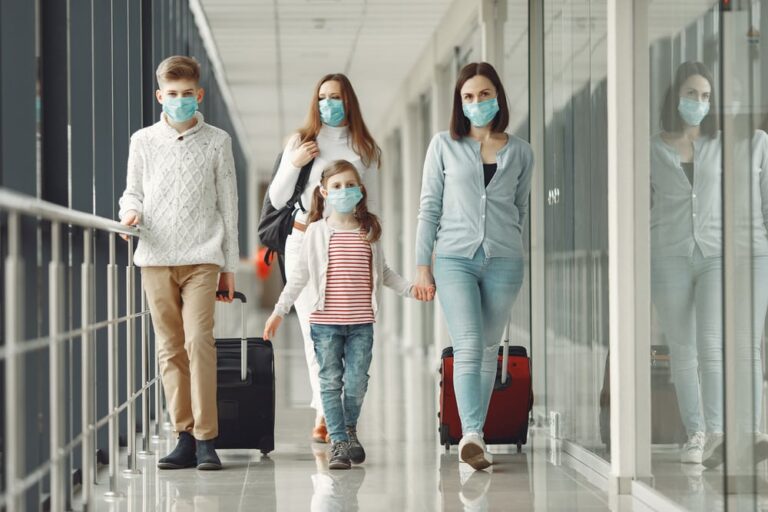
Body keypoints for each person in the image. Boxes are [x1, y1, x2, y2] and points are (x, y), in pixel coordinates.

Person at [118, 55, 239, 471]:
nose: (181, 100)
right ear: (160, 96)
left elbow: (229, 206)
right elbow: (132, 191)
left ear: (199, 94)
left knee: (198, 342)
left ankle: (207, 438)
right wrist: (128, 215)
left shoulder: (218, 141)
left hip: (203, 257)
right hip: (155, 255)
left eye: (187, 94)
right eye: (172, 95)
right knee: (169, 349)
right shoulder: (142, 141)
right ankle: (183, 435)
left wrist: (229, 266)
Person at [263, 159, 424, 469]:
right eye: (336, 186)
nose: (344, 190)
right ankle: (338, 440)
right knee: (329, 382)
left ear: (360, 190)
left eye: (350, 185)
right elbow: (298, 276)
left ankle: (349, 429)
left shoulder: (369, 231)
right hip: (325, 324)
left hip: (362, 323)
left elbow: (383, 272)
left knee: (357, 382)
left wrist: (409, 289)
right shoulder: (317, 231)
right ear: (324, 192)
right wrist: (279, 312)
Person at [413, 62, 533, 471]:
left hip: (505, 261)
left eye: (484, 94)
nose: (477, 102)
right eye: (468, 96)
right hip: (453, 259)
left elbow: (519, 208)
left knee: (485, 350)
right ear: (459, 103)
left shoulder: (520, 151)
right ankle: (472, 434)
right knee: (467, 345)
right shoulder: (443, 145)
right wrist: (421, 265)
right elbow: (429, 207)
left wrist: (509, 243)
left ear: (497, 96)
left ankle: (475, 435)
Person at [268, 73, 381, 443]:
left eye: (334, 97)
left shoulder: (365, 148)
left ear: (348, 100)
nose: (327, 104)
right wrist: (294, 162)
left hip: (349, 247)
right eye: (321, 97)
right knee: (313, 332)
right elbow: (278, 196)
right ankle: (324, 414)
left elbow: (371, 206)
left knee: (351, 336)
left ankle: (341, 413)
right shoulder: (302, 141)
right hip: (305, 241)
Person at [650, 61, 724, 465]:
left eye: (705, 96)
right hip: (668, 257)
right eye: (692, 94)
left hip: (713, 254)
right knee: (683, 349)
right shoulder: (652, 148)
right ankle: (695, 433)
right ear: (676, 97)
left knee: (711, 345)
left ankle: (717, 432)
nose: (699, 102)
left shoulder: (718, 146)